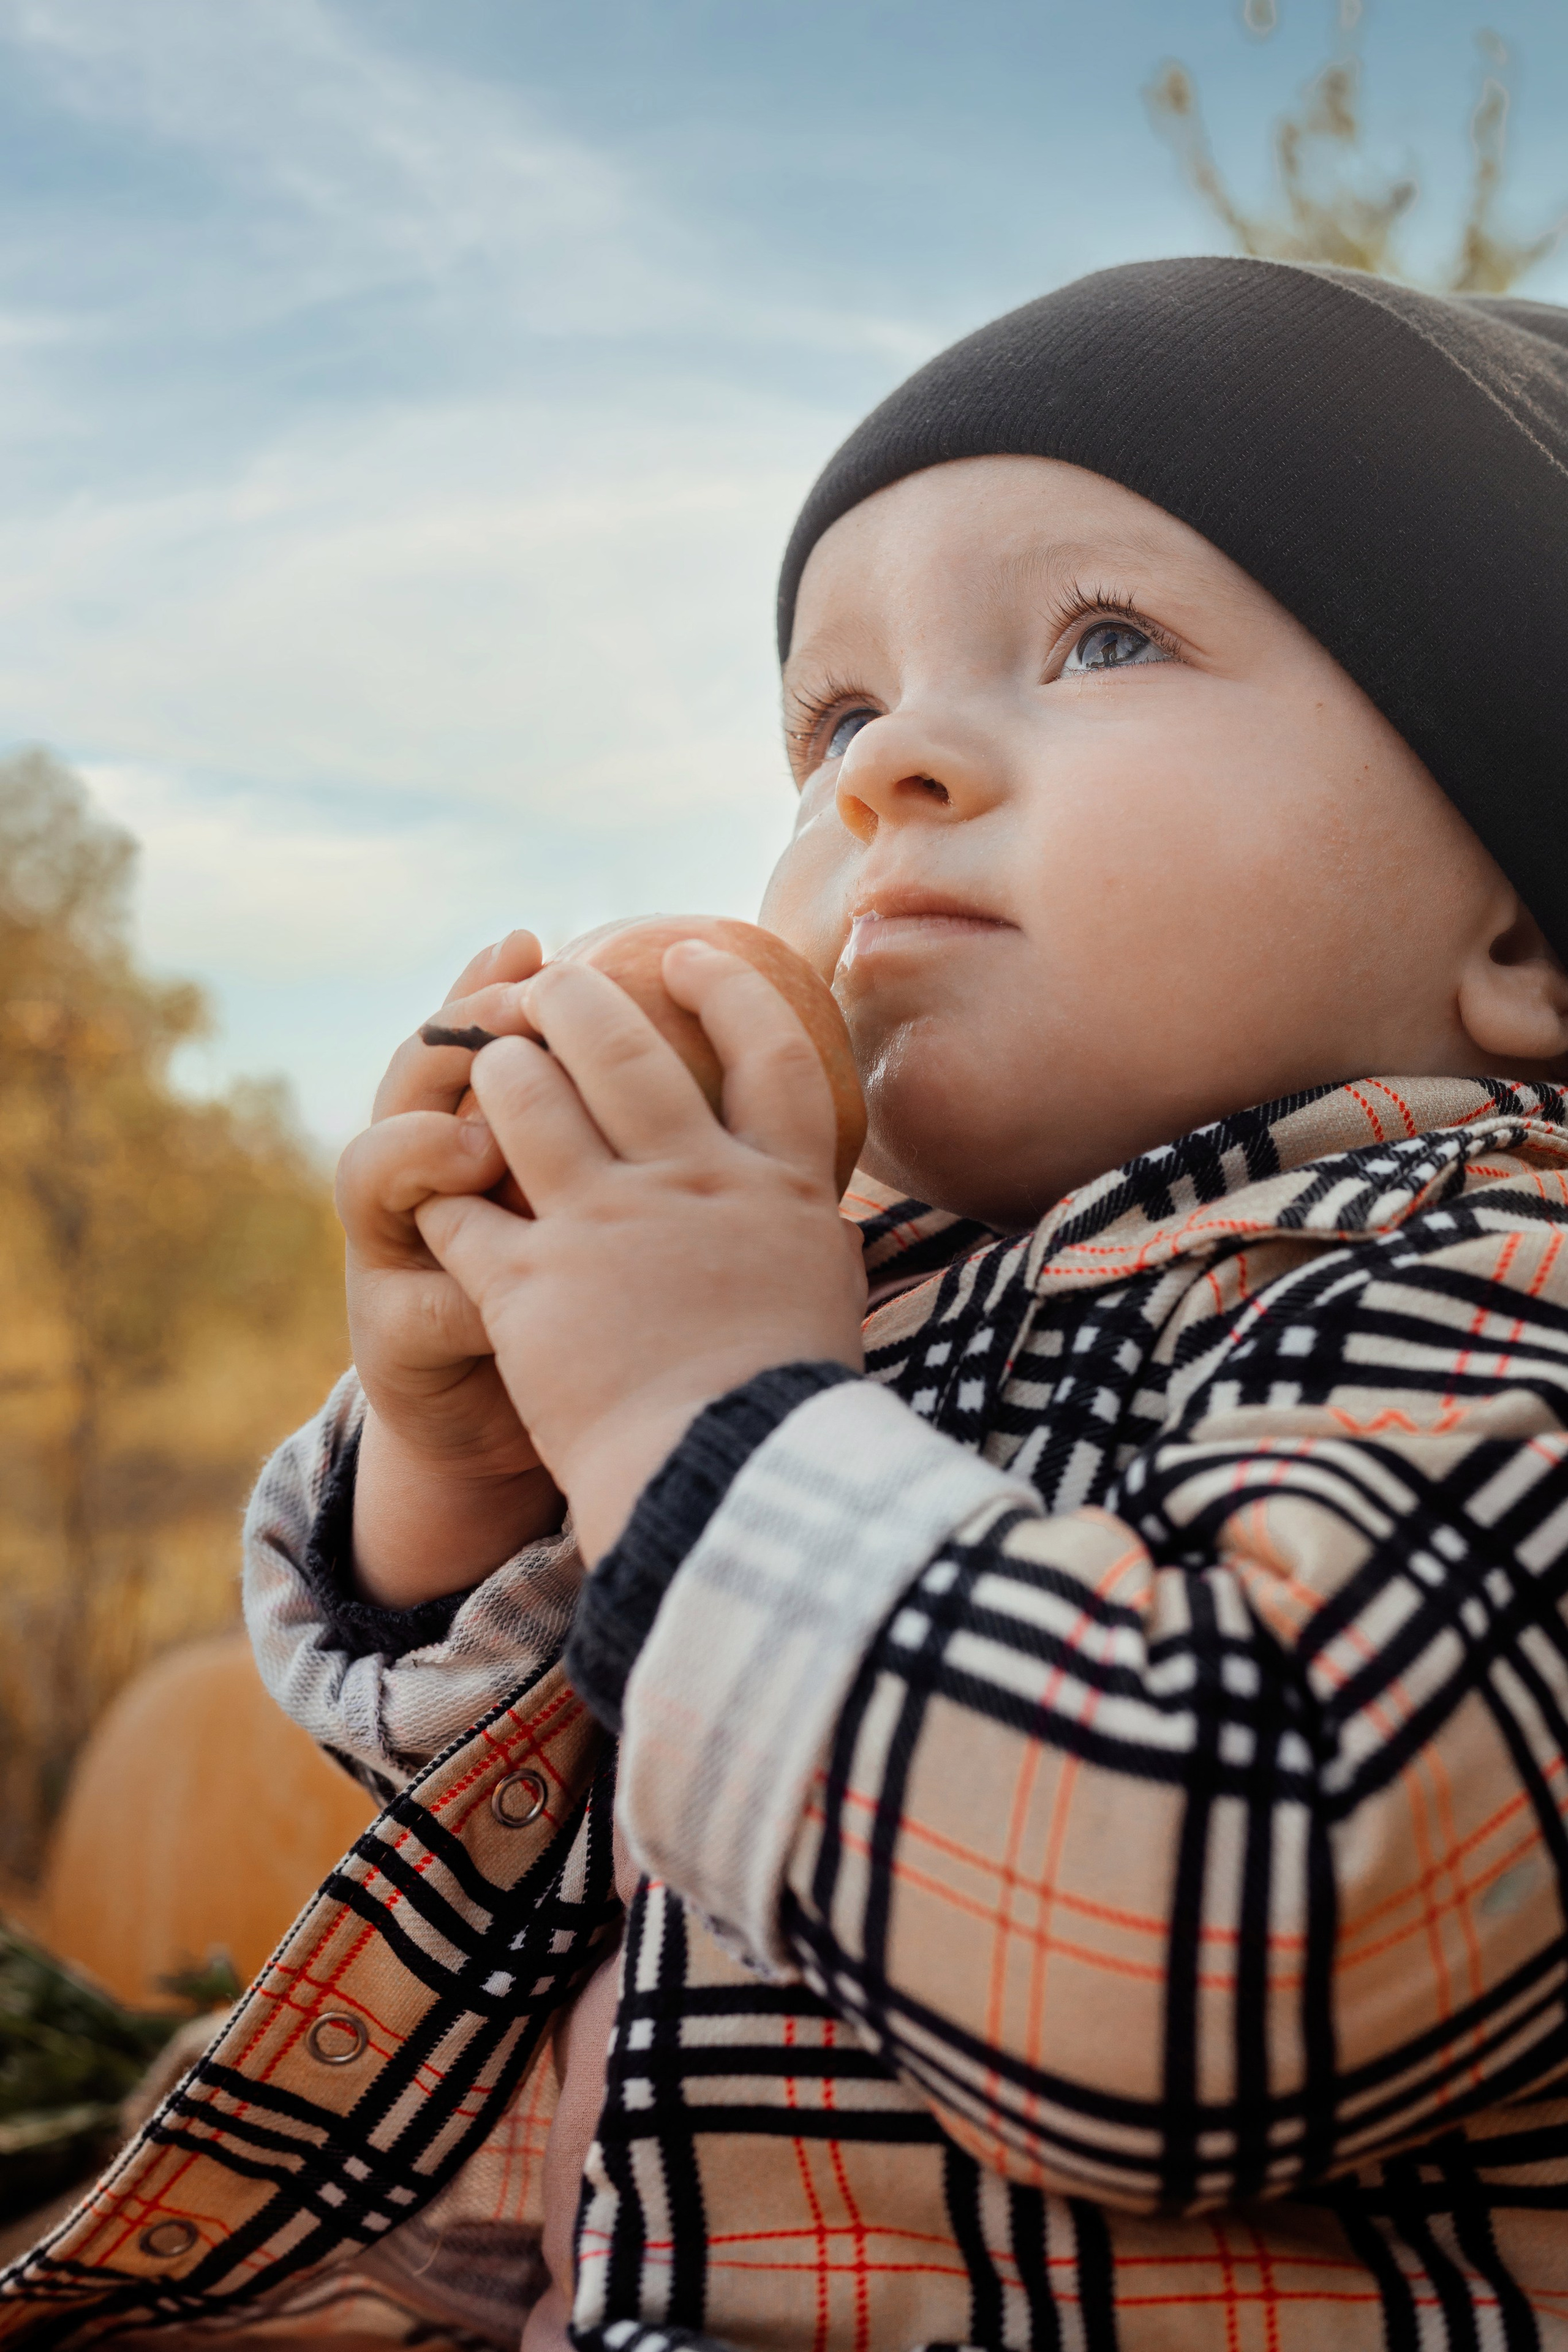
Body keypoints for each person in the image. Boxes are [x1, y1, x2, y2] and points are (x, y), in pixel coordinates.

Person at [9, 254, 1568, 2351]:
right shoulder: (839, 1308)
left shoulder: (1485, 1289)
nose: (886, 766)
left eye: (1106, 638)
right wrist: (480, 1474)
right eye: (835, 717)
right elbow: (570, 1818)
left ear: (1521, 931)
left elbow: (1215, 1940)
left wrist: (692, 1412)